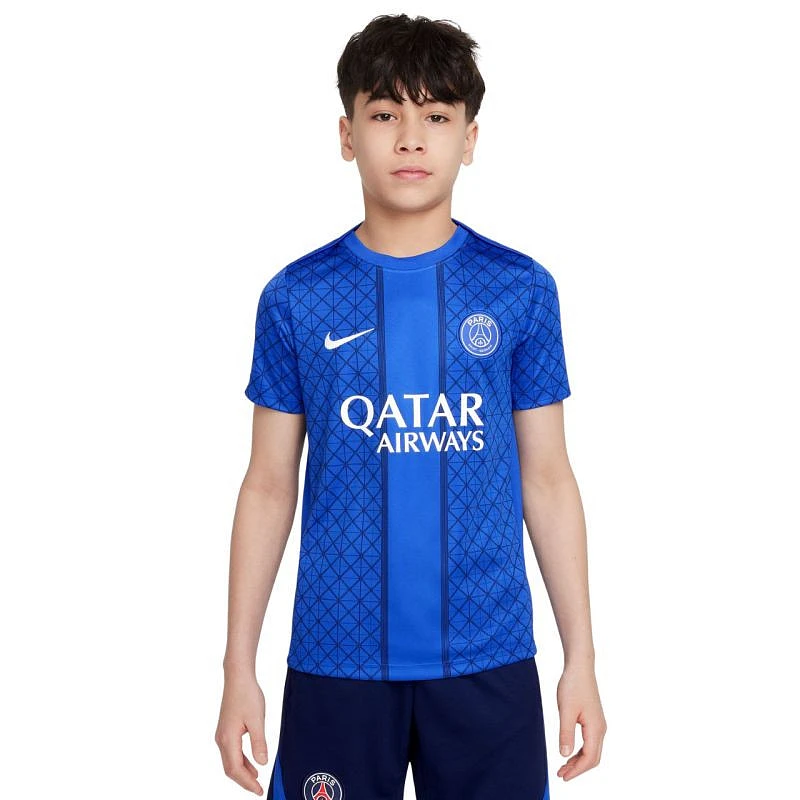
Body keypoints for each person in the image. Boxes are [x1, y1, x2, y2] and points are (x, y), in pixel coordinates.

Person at [215, 12, 606, 799]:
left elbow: (548, 479)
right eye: (385, 114)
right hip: (337, 657)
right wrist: (237, 669)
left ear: (470, 138)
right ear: (346, 134)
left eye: (436, 116)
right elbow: (268, 484)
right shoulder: (296, 298)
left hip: (489, 656)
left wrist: (582, 661)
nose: (410, 139)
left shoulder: (521, 290)